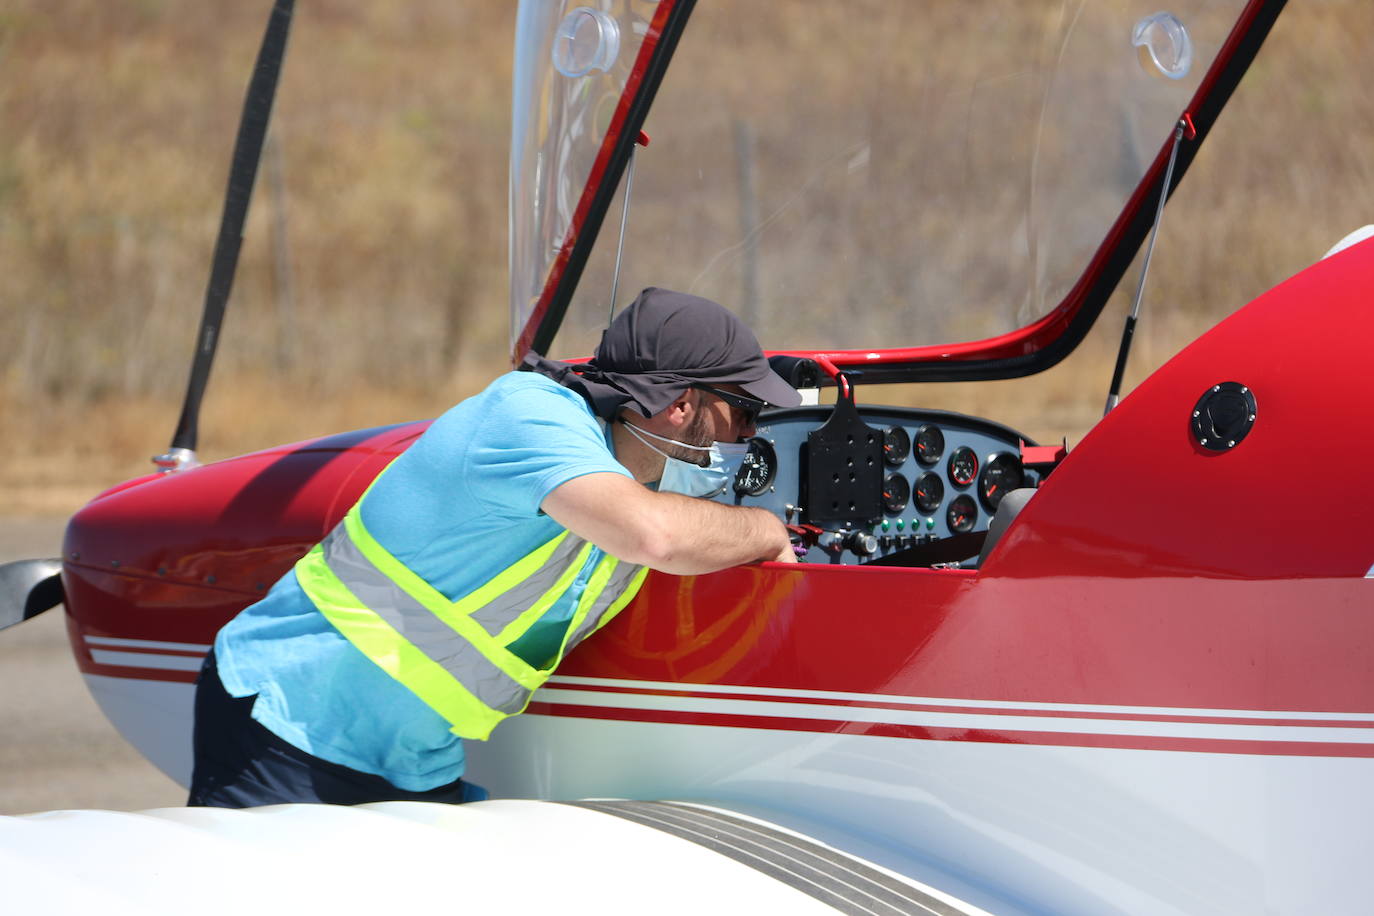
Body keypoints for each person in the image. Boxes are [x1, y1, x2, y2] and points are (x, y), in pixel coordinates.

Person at [188, 287, 800, 807]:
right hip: (291, 721)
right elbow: (655, 536)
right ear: (681, 405)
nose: (749, 433)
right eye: (742, 410)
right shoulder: (529, 415)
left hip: (412, 758)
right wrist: (767, 531)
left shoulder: (622, 479)